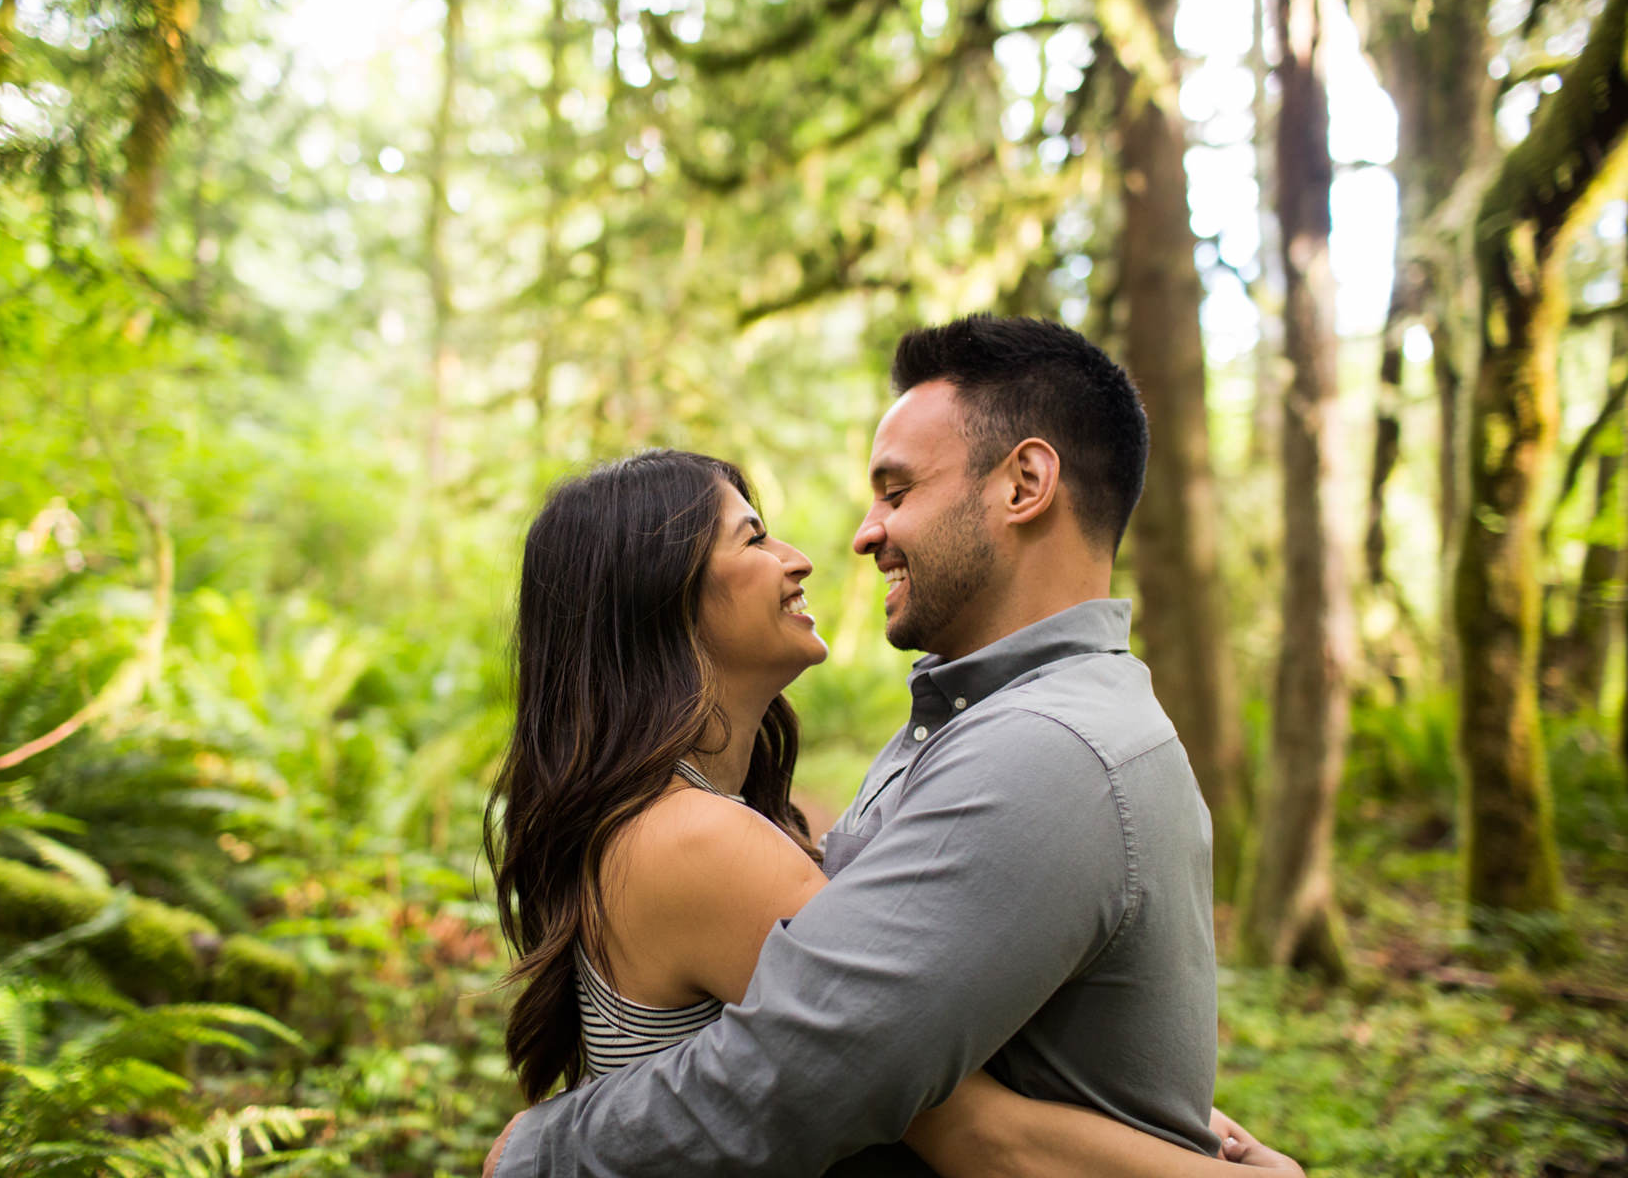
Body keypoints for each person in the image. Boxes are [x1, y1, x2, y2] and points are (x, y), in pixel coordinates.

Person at [485, 315, 1298, 1177]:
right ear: (655, 600)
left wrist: (539, 1153)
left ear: (1026, 482)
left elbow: (879, 1066)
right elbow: (946, 1101)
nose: (855, 537)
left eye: (897, 491)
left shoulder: (1041, 749)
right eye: (755, 536)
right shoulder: (726, 825)